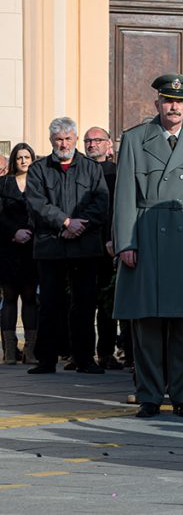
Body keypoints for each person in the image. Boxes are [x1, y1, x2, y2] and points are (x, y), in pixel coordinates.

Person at [112, 74, 183, 417]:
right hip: (145, 237)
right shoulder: (134, 139)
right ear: (157, 104)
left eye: (180, 101)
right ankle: (148, 395)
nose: (174, 107)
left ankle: (182, 395)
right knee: (146, 323)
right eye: (167, 101)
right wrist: (125, 243)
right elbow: (124, 197)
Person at [24, 118, 109, 375]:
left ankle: (85, 359)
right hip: (51, 247)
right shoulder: (39, 169)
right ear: (51, 141)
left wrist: (79, 225)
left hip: (85, 247)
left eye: (68, 138)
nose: (63, 144)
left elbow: (101, 202)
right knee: (50, 304)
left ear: (75, 140)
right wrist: (65, 222)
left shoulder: (92, 169)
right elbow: (36, 204)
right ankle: (46, 359)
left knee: (84, 305)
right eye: (58, 139)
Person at [84, 126, 124, 370]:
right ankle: (81, 353)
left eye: (97, 140)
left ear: (109, 145)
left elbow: (117, 208)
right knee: (83, 302)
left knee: (108, 303)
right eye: (88, 140)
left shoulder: (117, 172)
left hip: (109, 244)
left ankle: (108, 351)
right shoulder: (78, 170)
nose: (92, 144)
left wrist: (113, 237)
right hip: (83, 243)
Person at [0, 143, 39, 364]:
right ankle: (10, 350)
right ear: (14, 161)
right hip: (8, 248)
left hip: (32, 249)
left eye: (27, 157)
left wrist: (29, 232)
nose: (23, 161)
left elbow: (42, 211)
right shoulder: (4, 184)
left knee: (30, 297)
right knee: (9, 298)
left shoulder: (39, 184)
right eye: (19, 157)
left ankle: (31, 350)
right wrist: (14, 233)